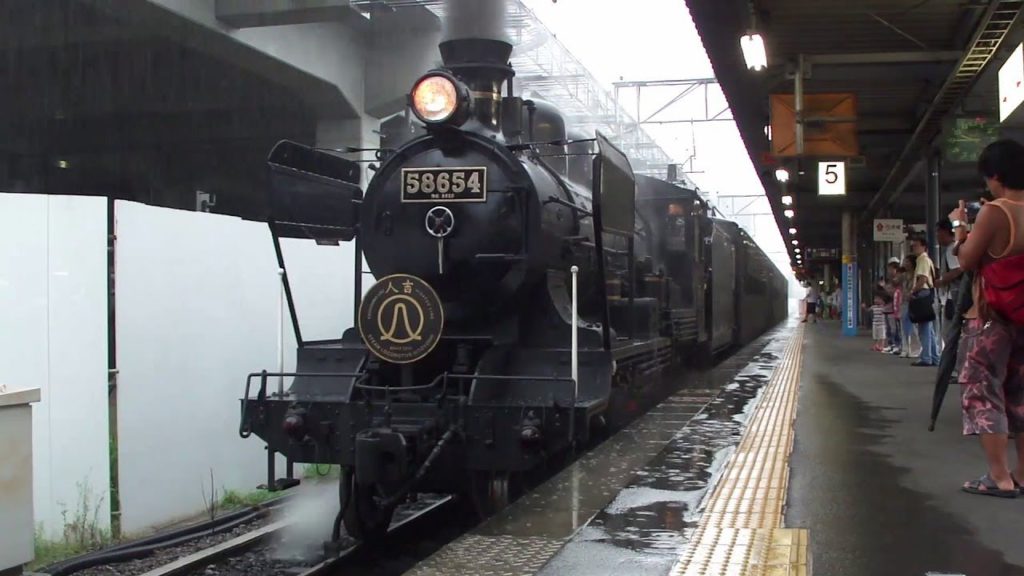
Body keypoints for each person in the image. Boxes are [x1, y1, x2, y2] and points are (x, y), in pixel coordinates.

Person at [948, 138, 1024, 498]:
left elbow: (967, 260)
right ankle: (1022, 475)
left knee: (983, 390)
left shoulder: (996, 212)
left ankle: (999, 476)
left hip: (995, 317)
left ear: (996, 175)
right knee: (1021, 394)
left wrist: (960, 229)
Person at [908, 236, 939, 366]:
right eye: (913, 246)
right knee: (928, 328)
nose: (914, 248)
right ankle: (934, 357)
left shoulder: (923, 259)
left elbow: (923, 278)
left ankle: (926, 357)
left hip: (923, 293)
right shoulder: (924, 259)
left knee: (924, 328)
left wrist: (913, 291)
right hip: (927, 293)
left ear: (924, 247)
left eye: (916, 246)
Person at [935, 218, 964, 325]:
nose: (936, 236)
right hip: (956, 297)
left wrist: (941, 280)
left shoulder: (952, 249)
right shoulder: (955, 247)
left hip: (953, 297)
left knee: (949, 333)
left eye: (938, 232)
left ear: (945, 232)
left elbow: (958, 270)